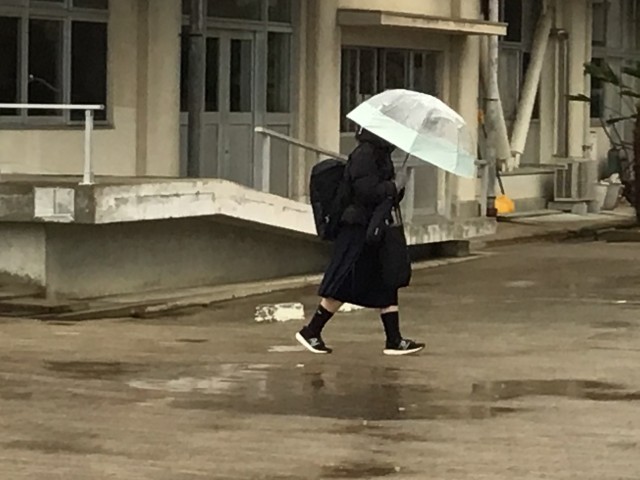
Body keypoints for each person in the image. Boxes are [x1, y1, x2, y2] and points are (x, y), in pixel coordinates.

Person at [295, 128, 425, 356]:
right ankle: (311, 331)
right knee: (345, 280)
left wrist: (397, 188)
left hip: (373, 227)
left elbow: (384, 195)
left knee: (385, 281)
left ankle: (394, 339)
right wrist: (392, 186)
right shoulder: (365, 154)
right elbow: (366, 191)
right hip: (358, 228)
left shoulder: (380, 153)